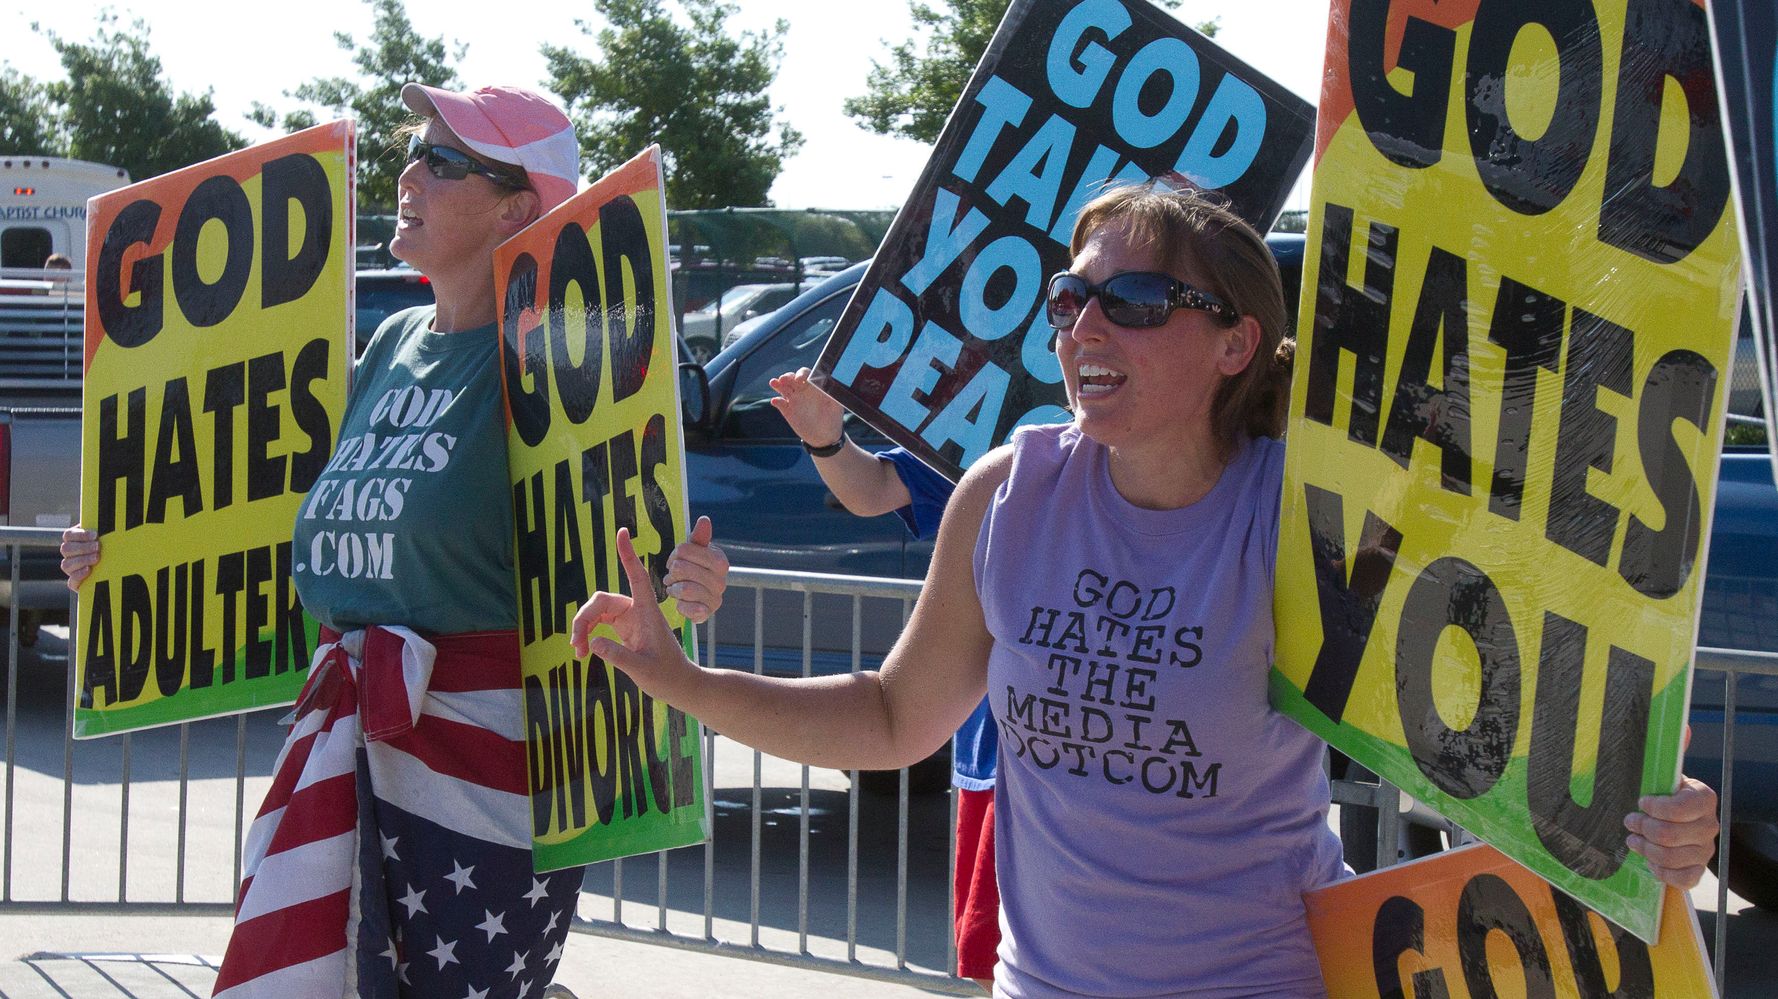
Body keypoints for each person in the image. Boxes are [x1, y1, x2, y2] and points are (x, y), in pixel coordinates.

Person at [568, 184, 1722, 997]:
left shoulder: (1307, 517)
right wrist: (686, 681)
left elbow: (1517, 723)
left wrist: (1653, 812)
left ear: (1233, 344)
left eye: (1131, 302)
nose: (1081, 327)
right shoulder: (1006, 489)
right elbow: (887, 716)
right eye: (1070, 300)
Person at [61, 83, 731, 999]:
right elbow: (295, 532)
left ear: (518, 209)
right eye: (416, 149)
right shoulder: (391, 346)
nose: (409, 173)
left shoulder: (557, 353)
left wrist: (688, 581)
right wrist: (122, 556)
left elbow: (621, 545)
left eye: (445, 160)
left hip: (489, 786)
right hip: (349, 753)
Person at [768, 369, 999, 987]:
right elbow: (873, 487)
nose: (1084, 324)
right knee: (996, 968)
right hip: (998, 765)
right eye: (1068, 300)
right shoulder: (1002, 439)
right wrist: (828, 441)